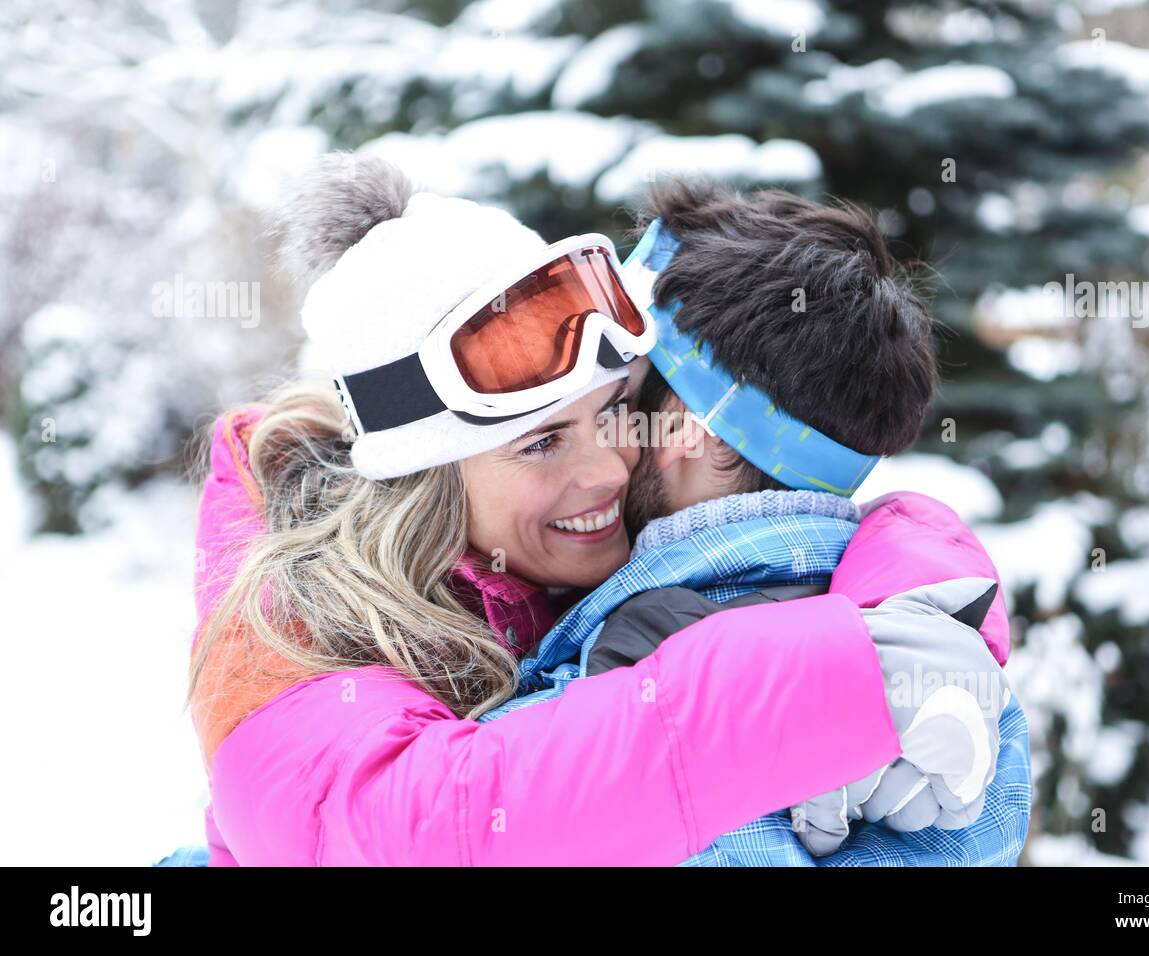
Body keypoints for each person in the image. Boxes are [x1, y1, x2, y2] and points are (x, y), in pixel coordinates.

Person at [184, 154, 962, 865]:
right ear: (423, 483)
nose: (607, 469)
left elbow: (800, 541)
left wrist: (923, 617)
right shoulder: (288, 628)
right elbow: (413, 831)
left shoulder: (560, 562)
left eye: (616, 410)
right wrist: (824, 687)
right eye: (541, 443)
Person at [482, 180, 1032, 864]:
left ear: (686, 430)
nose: (598, 451)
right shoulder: (939, 678)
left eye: (618, 404)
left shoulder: (641, 667)